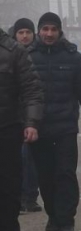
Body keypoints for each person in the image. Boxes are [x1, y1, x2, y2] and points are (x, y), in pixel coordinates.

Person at [28, 12, 81, 231]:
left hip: (65, 127)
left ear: (60, 31)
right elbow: (20, 94)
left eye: (54, 29)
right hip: (38, 128)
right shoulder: (28, 57)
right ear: (39, 31)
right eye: (45, 29)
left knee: (65, 173)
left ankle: (66, 222)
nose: (49, 34)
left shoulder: (73, 58)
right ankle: (53, 215)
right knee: (45, 175)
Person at [0, 27, 44, 231]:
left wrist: (31, 122)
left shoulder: (14, 51)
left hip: (7, 129)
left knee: (8, 188)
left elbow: (32, 89)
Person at [13, 18, 42, 213]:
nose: (25, 36)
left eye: (28, 32)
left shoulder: (40, 53)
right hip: (16, 116)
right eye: (21, 32)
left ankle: (31, 196)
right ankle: (22, 196)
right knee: (21, 157)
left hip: (36, 113)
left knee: (34, 159)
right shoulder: (10, 54)